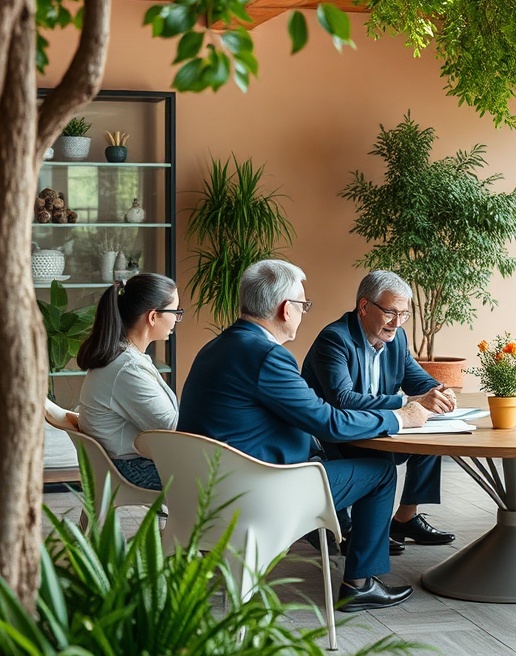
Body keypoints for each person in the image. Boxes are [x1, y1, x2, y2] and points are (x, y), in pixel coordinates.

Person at [178, 259, 432, 612]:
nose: (303, 313)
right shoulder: (267, 356)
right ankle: (359, 583)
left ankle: (332, 529)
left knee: (336, 459)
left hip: (203, 487)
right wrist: (400, 418)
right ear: (286, 309)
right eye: (302, 305)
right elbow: (327, 420)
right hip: (259, 492)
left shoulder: (219, 345)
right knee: (379, 471)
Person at [301, 270, 457, 548]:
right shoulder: (335, 339)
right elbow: (343, 400)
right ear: (364, 307)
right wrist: (408, 403)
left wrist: (439, 390)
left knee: (432, 436)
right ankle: (360, 532)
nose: (397, 322)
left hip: (377, 426)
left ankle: (404, 520)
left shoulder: (396, 339)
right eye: (390, 312)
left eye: (404, 314)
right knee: (385, 449)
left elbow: (416, 378)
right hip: (339, 435)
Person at [77, 274, 181, 490]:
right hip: (130, 468)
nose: (177, 319)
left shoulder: (124, 357)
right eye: (176, 312)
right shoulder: (127, 368)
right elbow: (171, 429)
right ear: (153, 317)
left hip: (120, 463)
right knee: (219, 476)